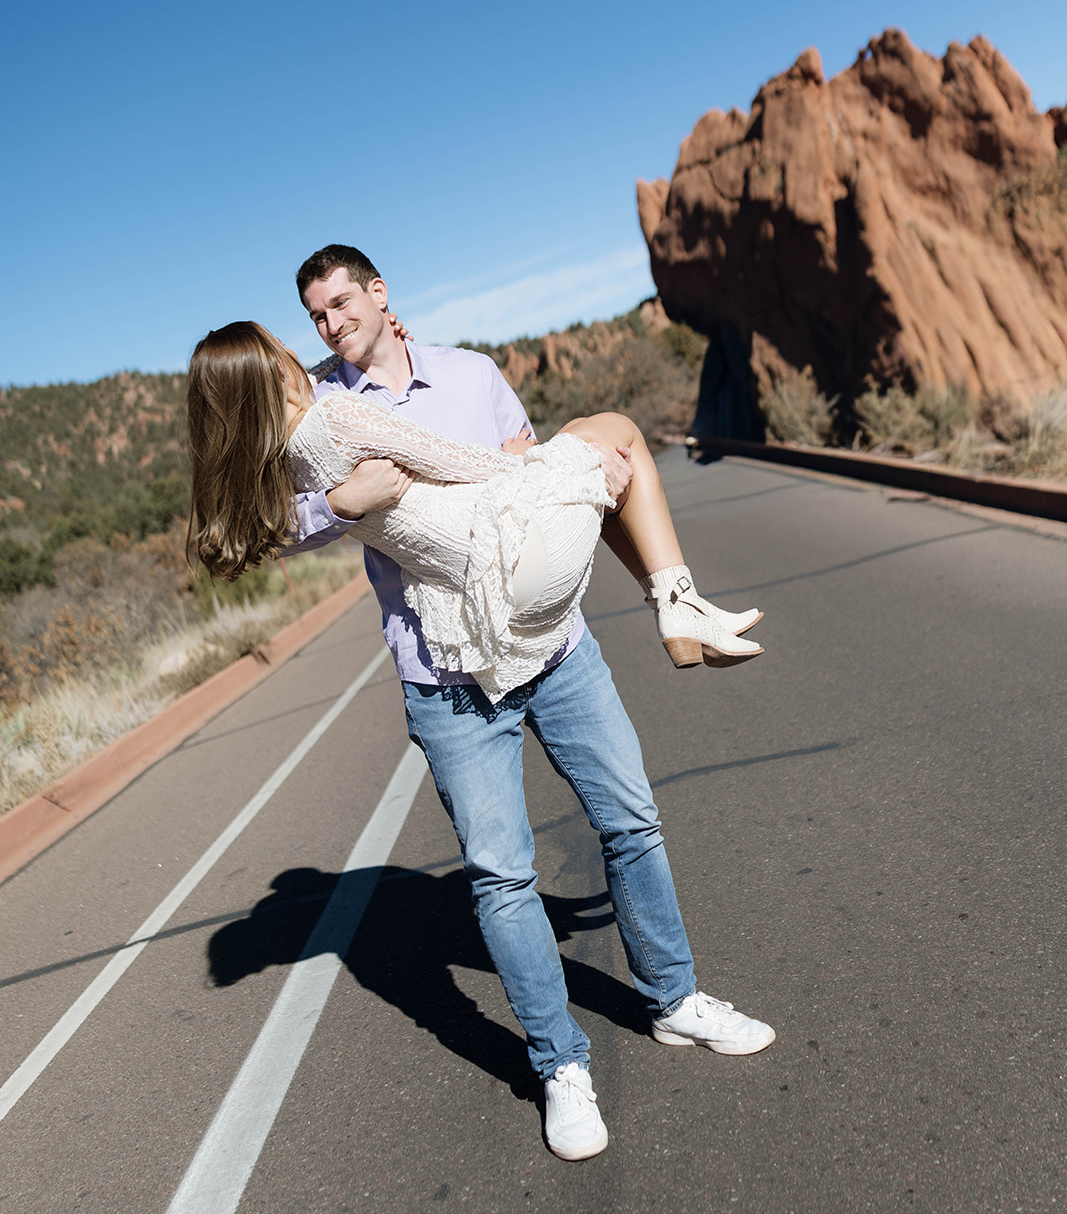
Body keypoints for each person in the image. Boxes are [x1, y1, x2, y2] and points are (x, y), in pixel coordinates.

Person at [230, 245, 776, 1160]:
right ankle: (560, 1064)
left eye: (341, 304)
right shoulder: (312, 409)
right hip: (443, 676)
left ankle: (674, 1000)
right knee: (500, 876)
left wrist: (570, 482)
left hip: (554, 648)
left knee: (631, 820)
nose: (332, 325)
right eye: (315, 315)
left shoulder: (472, 374)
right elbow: (258, 527)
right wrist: (341, 503)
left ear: (379, 293)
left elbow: (515, 475)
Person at [186, 323, 765, 701]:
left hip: (485, 600)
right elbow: (455, 460)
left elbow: (254, 531)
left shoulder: (277, 465)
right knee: (612, 435)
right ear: (274, 362)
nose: (316, 336)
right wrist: (563, 468)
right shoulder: (339, 416)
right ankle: (677, 601)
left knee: (585, 454)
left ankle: (678, 607)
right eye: (286, 340)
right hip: (516, 560)